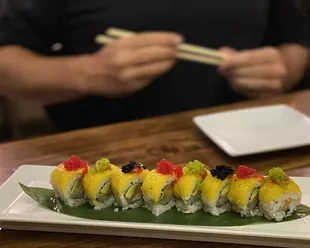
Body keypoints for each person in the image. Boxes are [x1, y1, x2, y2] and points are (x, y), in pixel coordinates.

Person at [0, 0, 309, 131]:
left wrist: (282, 69)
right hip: (102, 155)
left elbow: (295, 40)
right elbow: (7, 62)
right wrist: (90, 72)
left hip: (251, 141)